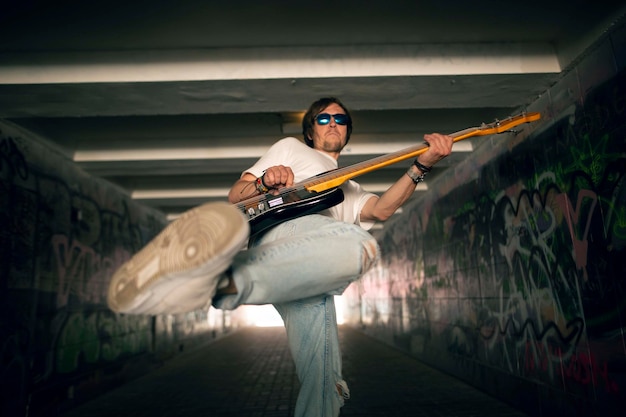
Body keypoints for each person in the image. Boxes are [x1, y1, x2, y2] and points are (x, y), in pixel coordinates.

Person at [107, 97, 454, 417]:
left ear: (347, 130)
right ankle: (226, 281)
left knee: (325, 382)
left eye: (340, 118)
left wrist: (421, 166)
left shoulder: (350, 186)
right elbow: (235, 195)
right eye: (324, 118)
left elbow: (382, 210)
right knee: (359, 246)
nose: (332, 122)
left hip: (303, 271)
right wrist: (264, 182)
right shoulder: (290, 149)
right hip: (283, 234)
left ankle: (219, 283)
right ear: (310, 130)